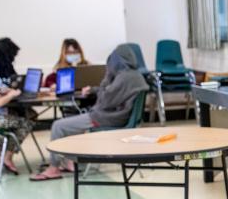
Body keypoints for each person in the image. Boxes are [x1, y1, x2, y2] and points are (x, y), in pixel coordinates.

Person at [31, 44, 147, 181]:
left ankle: (54, 168)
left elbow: (104, 101)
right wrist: (94, 89)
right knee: (72, 124)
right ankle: (69, 161)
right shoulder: (135, 76)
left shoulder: (123, 78)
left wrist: (107, 76)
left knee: (58, 125)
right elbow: (112, 94)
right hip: (119, 117)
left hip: (107, 119)